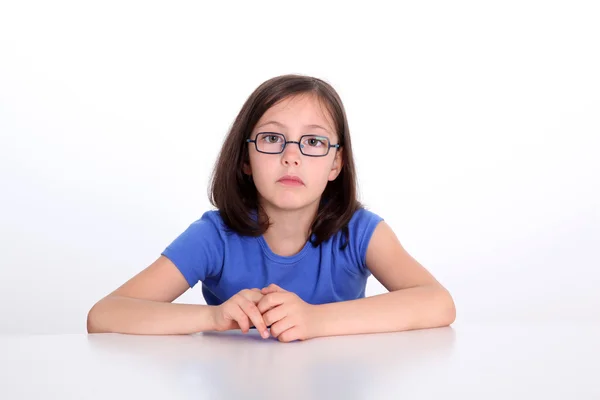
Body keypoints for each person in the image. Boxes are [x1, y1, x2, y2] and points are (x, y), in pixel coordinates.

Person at [87, 74, 456, 342]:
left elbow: (438, 303)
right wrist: (214, 317)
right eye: (272, 138)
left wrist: (314, 321)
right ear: (245, 158)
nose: (291, 156)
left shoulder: (360, 232)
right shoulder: (213, 236)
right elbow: (105, 314)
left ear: (335, 164)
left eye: (312, 141)